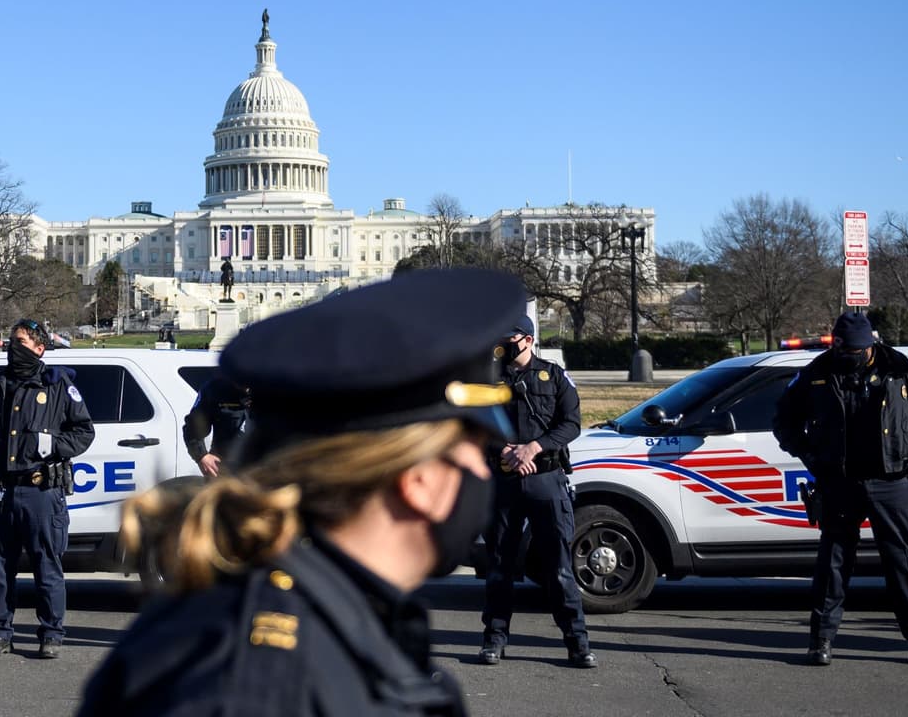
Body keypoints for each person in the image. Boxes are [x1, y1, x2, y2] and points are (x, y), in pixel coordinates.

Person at [78, 268, 525, 717]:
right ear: (420, 482)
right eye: (474, 452)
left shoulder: (331, 624)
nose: (483, 472)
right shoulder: (262, 684)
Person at [774, 311, 908, 667]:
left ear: (870, 346)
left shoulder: (904, 370)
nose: (845, 356)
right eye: (841, 349)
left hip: (893, 481)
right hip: (839, 481)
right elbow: (784, 419)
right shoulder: (817, 372)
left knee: (903, 563)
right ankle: (821, 642)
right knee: (833, 563)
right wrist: (810, 456)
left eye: (853, 351)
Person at [0, 318, 95, 659]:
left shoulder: (58, 384)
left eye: (20, 342)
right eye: (11, 342)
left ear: (39, 348)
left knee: (46, 567)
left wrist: (47, 447)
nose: (13, 348)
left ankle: (51, 634)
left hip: (40, 492)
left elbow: (83, 432)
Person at [479, 314, 595, 668]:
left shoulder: (554, 376)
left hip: (546, 479)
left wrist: (535, 448)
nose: (503, 343)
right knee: (500, 565)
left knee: (559, 567)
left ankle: (577, 643)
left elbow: (571, 423)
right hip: (504, 480)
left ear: (527, 340)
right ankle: (494, 641)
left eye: (510, 337)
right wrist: (507, 452)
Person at [181, 371, 249, 479]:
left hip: (267, 470)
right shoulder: (214, 389)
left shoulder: (276, 387)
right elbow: (192, 428)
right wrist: (202, 456)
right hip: (225, 470)